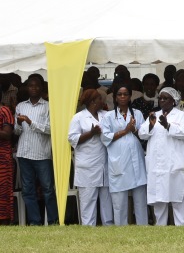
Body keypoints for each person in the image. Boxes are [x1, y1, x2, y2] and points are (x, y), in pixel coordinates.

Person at [138, 87, 184, 226]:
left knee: (179, 200)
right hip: (158, 166)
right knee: (159, 200)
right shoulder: (153, 115)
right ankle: (160, 229)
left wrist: (168, 125)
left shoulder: (181, 116)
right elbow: (142, 133)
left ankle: (182, 231)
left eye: (165, 98)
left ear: (173, 101)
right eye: (160, 98)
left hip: (176, 165)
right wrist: (150, 125)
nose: (162, 100)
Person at [101, 84, 148, 225]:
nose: (122, 97)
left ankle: (143, 228)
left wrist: (134, 130)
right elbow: (104, 137)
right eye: (119, 94)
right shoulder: (109, 116)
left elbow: (144, 134)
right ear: (115, 97)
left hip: (136, 160)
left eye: (125, 94)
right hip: (119, 162)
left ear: (130, 96)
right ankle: (121, 228)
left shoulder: (137, 114)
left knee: (140, 200)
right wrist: (125, 130)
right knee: (119, 201)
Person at [15, 73, 58, 225]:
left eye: (37, 85)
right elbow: (16, 131)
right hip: (24, 153)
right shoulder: (21, 106)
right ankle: (35, 221)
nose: (33, 88)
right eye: (31, 85)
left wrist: (29, 121)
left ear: (42, 88)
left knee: (47, 189)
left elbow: (50, 129)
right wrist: (20, 124)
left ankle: (53, 221)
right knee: (28, 190)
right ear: (27, 87)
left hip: (42, 154)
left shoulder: (48, 106)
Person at [68, 89, 113, 226]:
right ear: (93, 101)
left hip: (105, 166)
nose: (103, 101)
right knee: (88, 202)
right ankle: (88, 229)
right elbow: (72, 139)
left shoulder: (106, 115)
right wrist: (91, 133)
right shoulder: (78, 117)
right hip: (87, 167)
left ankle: (109, 227)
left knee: (107, 202)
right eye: (100, 98)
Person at [0, 90, 13, 224]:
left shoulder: (4, 111)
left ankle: (3, 220)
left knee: (2, 189)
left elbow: (7, 134)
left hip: (2, 158)